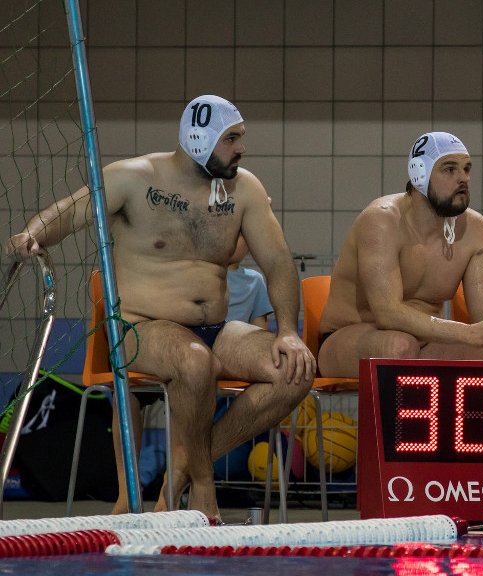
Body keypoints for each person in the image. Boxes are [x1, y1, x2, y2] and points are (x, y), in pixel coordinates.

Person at [4, 95, 316, 520]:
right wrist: (31, 234)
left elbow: (278, 261)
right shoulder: (135, 178)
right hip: (140, 329)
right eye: (232, 139)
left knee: (294, 372)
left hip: (216, 329)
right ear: (197, 139)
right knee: (194, 362)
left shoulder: (244, 190)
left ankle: (182, 470)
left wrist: (288, 332)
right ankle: (203, 485)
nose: (241, 148)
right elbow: (71, 211)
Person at [316, 131, 483, 530]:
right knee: (398, 342)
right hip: (349, 337)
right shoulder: (383, 219)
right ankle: (403, 494)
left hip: (425, 339)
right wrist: (468, 333)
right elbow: (387, 312)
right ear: (420, 174)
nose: (463, 178)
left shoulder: (473, 228)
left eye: (467, 169)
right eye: (449, 170)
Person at [226, 235, 273, 328]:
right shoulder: (201, 275)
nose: (229, 240)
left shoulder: (255, 280)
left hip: (240, 339)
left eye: (237, 234)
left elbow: (259, 328)